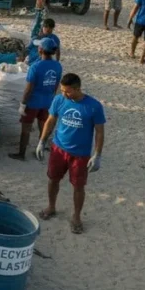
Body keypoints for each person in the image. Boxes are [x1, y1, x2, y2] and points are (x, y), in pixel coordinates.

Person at [36, 73, 106, 234]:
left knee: (78, 186)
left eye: (67, 91)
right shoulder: (59, 100)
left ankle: (76, 216)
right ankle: (51, 206)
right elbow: (51, 120)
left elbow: (99, 132)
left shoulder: (94, 106)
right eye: (62, 90)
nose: (64, 94)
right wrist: (42, 141)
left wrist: (97, 155)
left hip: (80, 154)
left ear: (77, 89)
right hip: (58, 149)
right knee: (53, 179)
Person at [10, 38, 62, 161]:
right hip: (47, 102)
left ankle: (21, 154)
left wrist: (23, 104)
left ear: (41, 50)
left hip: (33, 102)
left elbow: (29, 89)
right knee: (43, 128)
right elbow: (56, 85)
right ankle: (40, 152)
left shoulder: (35, 67)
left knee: (26, 129)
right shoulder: (58, 66)